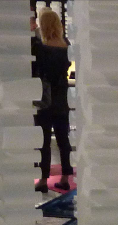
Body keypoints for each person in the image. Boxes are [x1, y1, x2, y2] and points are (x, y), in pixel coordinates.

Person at [33, 8, 73, 193]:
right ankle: (65, 177)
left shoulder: (41, 48)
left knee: (44, 141)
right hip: (62, 97)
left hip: (45, 97)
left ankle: (43, 179)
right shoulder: (66, 45)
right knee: (63, 138)